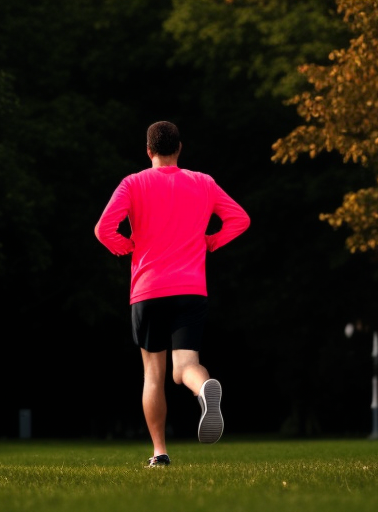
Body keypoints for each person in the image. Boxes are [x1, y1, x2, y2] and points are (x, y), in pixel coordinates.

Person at [94, 121, 250, 467]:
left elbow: (103, 229)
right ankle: (202, 387)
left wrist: (126, 248)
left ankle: (159, 452)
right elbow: (239, 219)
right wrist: (210, 242)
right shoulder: (203, 183)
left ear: (148, 151)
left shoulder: (133, 184)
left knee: (153, 374)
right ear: (179, 148)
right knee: (186, 366)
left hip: (148, 290)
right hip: (191, 289)